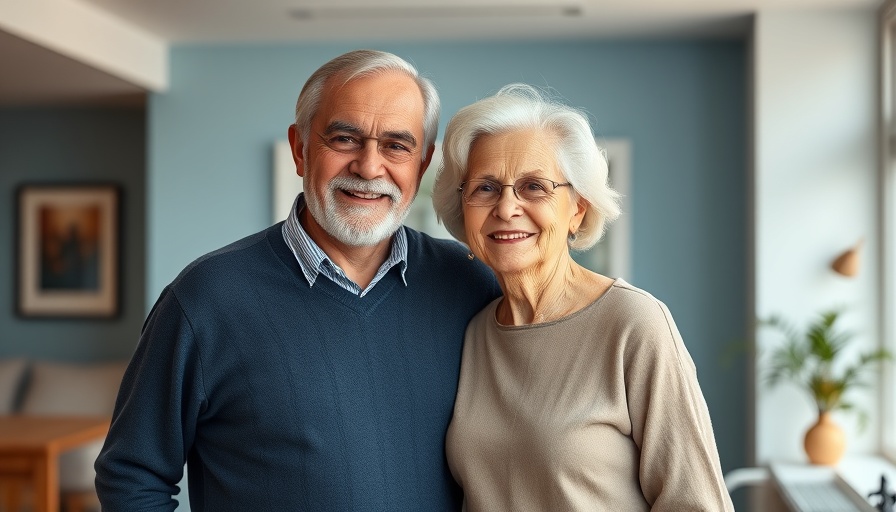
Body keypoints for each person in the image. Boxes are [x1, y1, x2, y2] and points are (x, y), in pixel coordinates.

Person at [95, 49, 500, 511]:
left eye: (396, 145)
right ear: (300, 149)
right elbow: (132, 476)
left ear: (423, 164)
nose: (369, 168)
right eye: (344, 139)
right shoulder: (206, 299)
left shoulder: (470, 283)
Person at [432, 84, 734, 511]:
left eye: (534, 187)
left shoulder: (633, 323)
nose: (505, 207)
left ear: (577, 208)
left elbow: (696, 503)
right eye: (485, 188)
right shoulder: (473, 331)